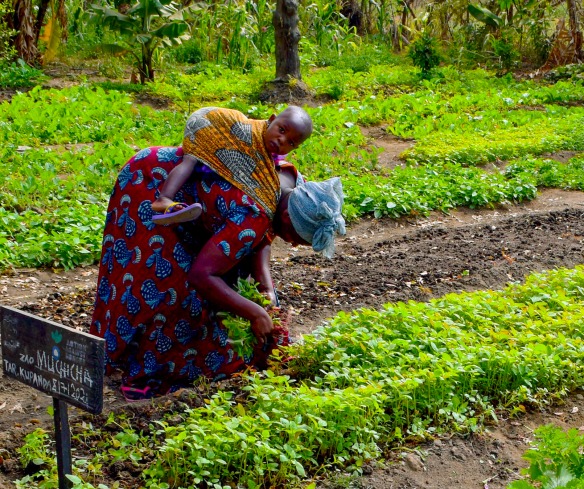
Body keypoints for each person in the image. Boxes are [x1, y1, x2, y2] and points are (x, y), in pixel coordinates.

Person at [90, 142, 345, 398]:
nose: (291, 243)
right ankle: (143, 368)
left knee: (228, 277)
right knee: (168, 283)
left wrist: (266, 290)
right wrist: (256, 313)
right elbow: (202, 276)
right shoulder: (254, 211)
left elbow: (261, 237)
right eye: (295, 238)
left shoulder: (299, 190)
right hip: (151, 184)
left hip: (197, 202)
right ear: (288, 217)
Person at [150, 105, 313, 225]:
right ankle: (164, 198)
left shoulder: (273, 154)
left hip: (224, 143)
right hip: (208, 124)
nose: (282, 140)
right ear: (271, 120)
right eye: (282, 130)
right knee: (191, 160)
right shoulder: (252, 134)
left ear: (294, 148)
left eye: (290, 142)